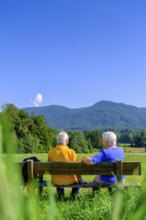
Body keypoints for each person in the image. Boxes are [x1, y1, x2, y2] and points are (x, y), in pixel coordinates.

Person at [48, 131, 86, 200]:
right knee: (78, 182)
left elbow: (49, 164)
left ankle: (61, 197)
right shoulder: (71, 152)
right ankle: (73, 197)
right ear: (67, 141)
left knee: (59, 180)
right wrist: (80, 180)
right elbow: (76, 168)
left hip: (56, 180)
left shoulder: (51, 151)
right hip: (70, 181)